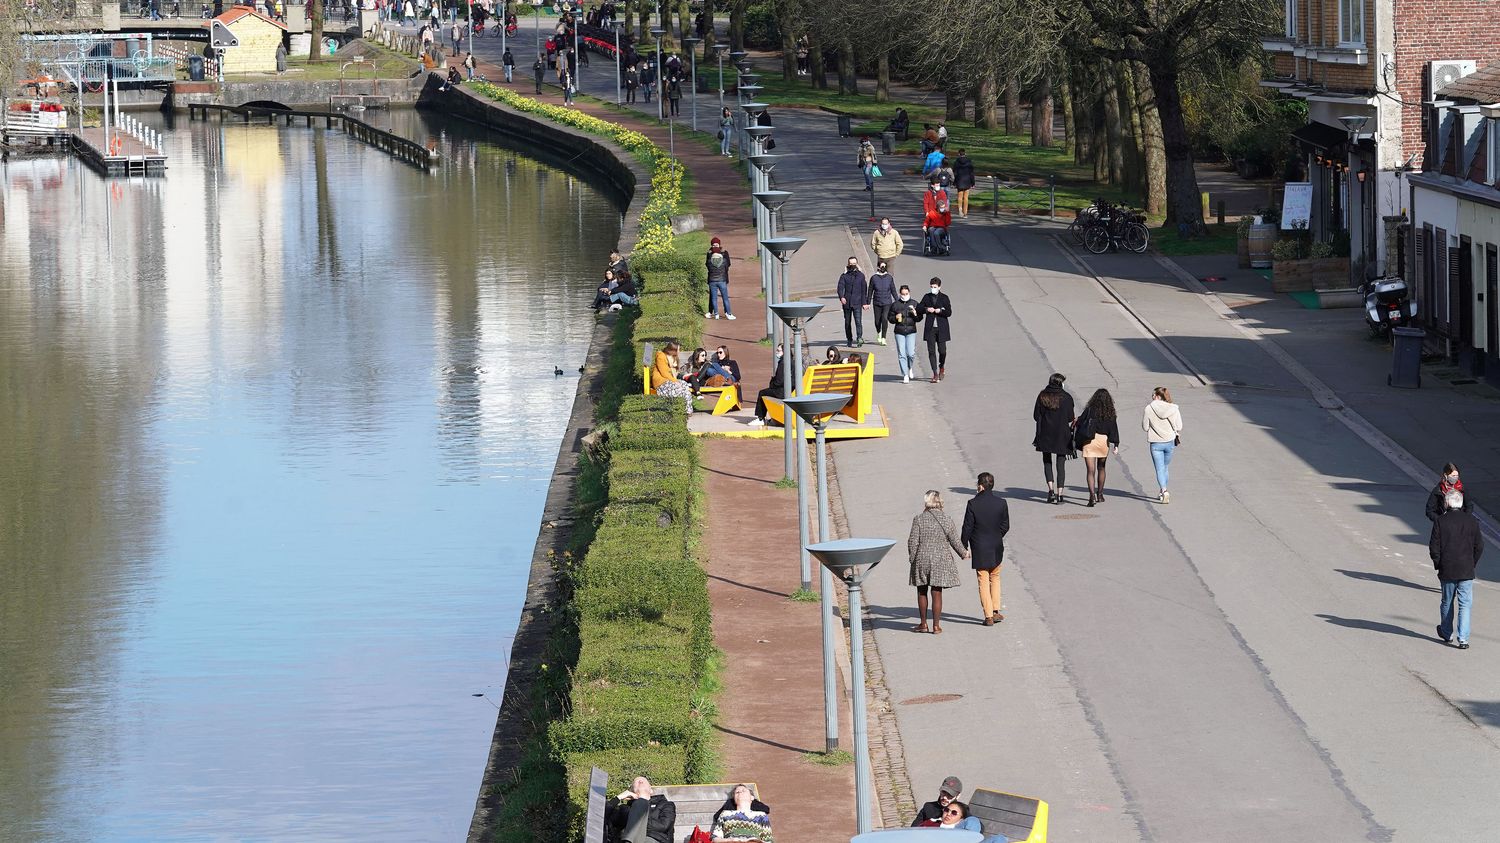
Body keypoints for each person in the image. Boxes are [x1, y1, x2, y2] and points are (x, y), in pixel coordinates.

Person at [908, 491, 968, 634]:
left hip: (922, 558)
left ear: (926, 502)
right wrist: (963, 553)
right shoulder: (947, 519)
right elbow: (954, 540)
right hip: (940, 559)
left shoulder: (919, 519)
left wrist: (913, 559)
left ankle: (923, 624)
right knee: (937, 591)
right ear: (939, 502)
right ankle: (936, 626)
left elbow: (912, 542)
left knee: (922, 591)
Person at [1432, 490, 1483, 649]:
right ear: (1460, 503)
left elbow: (1434, 547)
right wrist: (1472, 562)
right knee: (1465, 604)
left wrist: (1438, 563)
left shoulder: (1441, 521)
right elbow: (1479, 546)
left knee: (1447, 601)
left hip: (1448, 568)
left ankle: (1447, 633)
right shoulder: (1472, 521)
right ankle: (1463, 639)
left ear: (1447, 503)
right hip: (1466, 569)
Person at [962, 472, 1010, 626]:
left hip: (980, 546)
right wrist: (997, 535)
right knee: (995, 577)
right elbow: (1005, 525)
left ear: (980, 486)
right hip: (996, 545)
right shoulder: (1001, 502)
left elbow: (967, 527)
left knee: (983, 579)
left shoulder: (972, 504)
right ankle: (996, 610)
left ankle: (988, 615)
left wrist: (964, 545)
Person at [1033, 373, 1076, 504]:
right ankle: (1060, 494)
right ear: (1060, 383)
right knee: (1061, 463)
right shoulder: (1067, 397)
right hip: (1062, 434)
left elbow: (1036, 416)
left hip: (1045, 433)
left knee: (1047, 460)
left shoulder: (1042, 395)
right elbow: (1070, 417)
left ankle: (1050, 490)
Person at [1074, 388, 1120, 507]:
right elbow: (1113, 429)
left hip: (1090, 440)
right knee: (1101, 468)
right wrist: (1116, 444)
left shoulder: (1090, 410)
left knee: (1090, 470)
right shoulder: (1110, 412)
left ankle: (1091, 496)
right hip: (1103, 441)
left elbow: (1080, 421)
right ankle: (1100, 494)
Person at [604, 776, 677, 843]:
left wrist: (635, 816)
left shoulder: (665, 805)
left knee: (641, 802)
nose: (640, 781)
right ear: (632, 791)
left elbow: (663, 826)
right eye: (636, 781)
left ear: (651, 790)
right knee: (640, 803)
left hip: (654, 839)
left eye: (644, 781)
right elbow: (602, 816)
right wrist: (618, 798)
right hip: (625, 839)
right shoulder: (624, 809)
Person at [1142, 386, 1183, 504]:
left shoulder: (1149, 409)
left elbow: (1145, 427)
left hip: (1156, 443)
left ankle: (1164, 491)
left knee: (1159, 469)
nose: (1152, 397)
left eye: (1153, 395)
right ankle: (1162, 490)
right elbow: (1179, 426)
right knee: (1165, 467)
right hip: (1170, 442)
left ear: (1158, 397)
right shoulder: (1174, 408)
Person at [918, 277, 952, 383]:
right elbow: (919, 308)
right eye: (931, 287)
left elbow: (949, 312)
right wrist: (926, 309)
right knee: (931, 351)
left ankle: (942, 366)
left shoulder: (944, 298)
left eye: (935, 287)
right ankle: (935, 373)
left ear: (939, 287)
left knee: (942, 351)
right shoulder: (926, 297)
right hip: (930, 329)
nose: (933, 288)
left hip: (941, 328)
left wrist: (940, 311)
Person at [889, 284, 922, 383]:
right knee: (901, 354)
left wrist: (915, 313)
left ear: (909, 293)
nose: (905, 295)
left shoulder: (914, 303)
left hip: (911, 331)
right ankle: (905, 374)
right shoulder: (895, 305)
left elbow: (919, 318)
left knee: (911, 353)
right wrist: (895, 318)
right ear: (900, 294)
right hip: (899, 331)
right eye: (903, 294)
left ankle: (910, 367)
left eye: (906, 293)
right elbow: (890, 318)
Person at [651, 341, 693, 412]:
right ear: (672, 350)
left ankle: (684, 408)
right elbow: (664, 373)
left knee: (685, 385)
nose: (679, 351)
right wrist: (675, 381)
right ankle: (687, 410)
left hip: (669, 380)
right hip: (661, 382)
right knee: (683, 390)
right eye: (678, 350)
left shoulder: (672, 357)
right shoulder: (661, 356)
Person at [837, 257, 868, 347]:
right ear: (848, 264)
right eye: (851, 263)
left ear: (857, 264)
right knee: (847, 322)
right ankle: (849, 339)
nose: (853, 265)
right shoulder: (844, 275)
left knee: (858, 322)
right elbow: (840, 287)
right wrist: (841, 297)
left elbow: (864, 290)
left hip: (857, 302)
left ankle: (859, 338)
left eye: (854, 263)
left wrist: (864, 303)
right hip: (847, 303)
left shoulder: (861, 275)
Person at [867, 261, 897, 346]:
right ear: (878, 267)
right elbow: (870, 291)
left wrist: (897, 300)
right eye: (881, 266)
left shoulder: (889, 278)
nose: (883, 268)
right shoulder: (874, 278)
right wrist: (868, 302)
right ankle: (879, 332)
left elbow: (893, 290)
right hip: (877, 302)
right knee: (877, 321)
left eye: (884, 266)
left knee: (884, 318)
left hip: (887, 302)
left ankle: (884, 337)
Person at [705, 236, 734, 319]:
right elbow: (727, 264)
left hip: (717, 277)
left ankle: (721, 313)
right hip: (720, 278)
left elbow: (728, 264)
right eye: (713, 245)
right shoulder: (709, 254)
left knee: (717, 297)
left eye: (716, 244)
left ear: (719, 244)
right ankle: (712, 311)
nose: (715, 246)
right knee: (714, 296)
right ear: (711, 245)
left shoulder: (724, 253)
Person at [922, 182, 952, 255]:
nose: (942, 209)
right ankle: (934, 248)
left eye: (943, 207)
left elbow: (948, 223)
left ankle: (941, 248)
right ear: (938, 207)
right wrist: (925, 226)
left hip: (941, 228)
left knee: (936, 233)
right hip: (932, 226)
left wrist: (947, 214)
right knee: (931, 230)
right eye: (941, 208)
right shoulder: (932, 213)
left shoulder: (945, 213)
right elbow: (927, 220)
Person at [953, 148, 975, 217]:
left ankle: (960, 210)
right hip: (967, 181)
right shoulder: (969, 162)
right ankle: (965, 213)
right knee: (966, 198)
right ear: (965, 154)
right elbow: (971, 173)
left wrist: (954, 182)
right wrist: (973, 182)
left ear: (959, 154)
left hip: (959, 180)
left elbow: (955, 173)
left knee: (960, 196)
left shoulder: (956, 162)